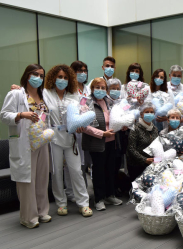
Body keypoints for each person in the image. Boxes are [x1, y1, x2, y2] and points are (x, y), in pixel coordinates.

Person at [0, 64, 51, 228]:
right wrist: (21, 114)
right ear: (27, 75)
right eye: (35, 74)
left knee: (42, 178)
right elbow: (4, 115)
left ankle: (42, 211)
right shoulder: (16, 94)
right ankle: (28, 217)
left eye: (41, 75)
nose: (38, 78)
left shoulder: (43, 95)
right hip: (25, 142)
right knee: (27, 180)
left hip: (41, 141)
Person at [43, 64, 92, 217]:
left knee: (76, 171)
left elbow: (79, 116)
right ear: (53, 78)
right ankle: (61, 203)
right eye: (59, 77)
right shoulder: (45, 93)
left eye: (65, 77)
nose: (62, 80)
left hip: (71, 138)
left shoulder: (74, 95)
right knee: (57, 172)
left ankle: (83, 203)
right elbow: (30, 96)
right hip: (53, 137)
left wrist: (80, 126)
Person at [82, 77, 123, 211]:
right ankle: (99, 199)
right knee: (98, 171)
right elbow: (84, 126)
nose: (100, 90)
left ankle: (109, 195)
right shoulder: (86, 102)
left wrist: (122, 125)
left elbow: (117, 118)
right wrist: (102, 133)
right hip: (97, 142)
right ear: (92, 89)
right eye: (97, 87)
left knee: (110, 169)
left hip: (112, 142)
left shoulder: (109, 101)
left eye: (103, 87)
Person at [63, 61, 92, 203]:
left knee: (84, 163)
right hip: (74, 131)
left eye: (85, 71)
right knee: (71, 164)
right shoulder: (68, 90)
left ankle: (83, 190)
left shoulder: (88, 89)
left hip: (87, 130)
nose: (82, 73)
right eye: (79, 71)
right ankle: (70, 192)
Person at [126, 102, 159, 183]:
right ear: (141, 114)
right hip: (136, 164)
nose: (149, 114)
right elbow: (131, 148)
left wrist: (157, 159)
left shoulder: (155, 129)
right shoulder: (135, 128)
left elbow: (157, 146)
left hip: (151, 164)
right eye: (147, 112)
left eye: (152, 112)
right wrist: (144, 159)